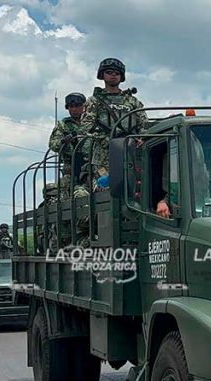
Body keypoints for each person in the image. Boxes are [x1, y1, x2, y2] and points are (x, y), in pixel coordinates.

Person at [77, 58, 147, 245]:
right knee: (105, 193)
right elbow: (85, 130)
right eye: (109, 72)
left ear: (122, 76)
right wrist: (103, 139)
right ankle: (107, 238)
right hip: (103, 158)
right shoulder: (94, 102)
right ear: (102, 75)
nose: (113, 75)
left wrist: (141, 139)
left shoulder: (133, 102)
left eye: (116, 72)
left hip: (130, 155)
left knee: (136, 193)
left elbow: (143, 126)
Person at [48, 92, 86, 184]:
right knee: (62, 188)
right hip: (71, 166)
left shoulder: (92, 123)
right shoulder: (63, 125)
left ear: (84, 107)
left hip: (93, 164)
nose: (74, 109)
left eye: (77, 106)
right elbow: (53, 144)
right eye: (71, 107)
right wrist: (63, 141)